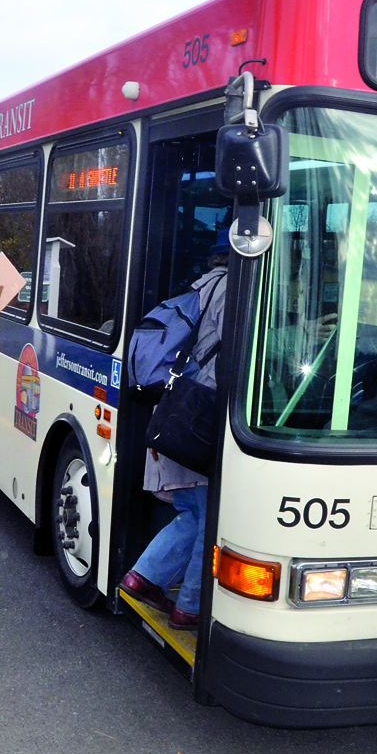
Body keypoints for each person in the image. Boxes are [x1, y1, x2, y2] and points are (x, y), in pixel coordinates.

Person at [119, 231, 229, 630]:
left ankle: (143, 577)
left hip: (176, 413)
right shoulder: (233, 290)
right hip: (202, 419)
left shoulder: (197, 291)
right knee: (207, 516)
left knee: (192, 511)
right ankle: (190, 607)